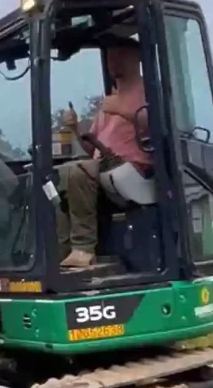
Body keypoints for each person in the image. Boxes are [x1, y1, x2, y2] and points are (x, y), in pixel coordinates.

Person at [55, 37, 151, 268]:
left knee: (77, 171)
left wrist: (125, 111)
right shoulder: (110, 100)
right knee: (51, 178)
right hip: (104, 165)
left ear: (137, 57)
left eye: (120, 55)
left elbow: (160, 124)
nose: (113, 61)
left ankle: (83, 249)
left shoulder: (148, 90)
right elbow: (92, 147)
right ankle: (60, 249)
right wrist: (76, 128)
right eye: (110, 56)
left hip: (135, 166)